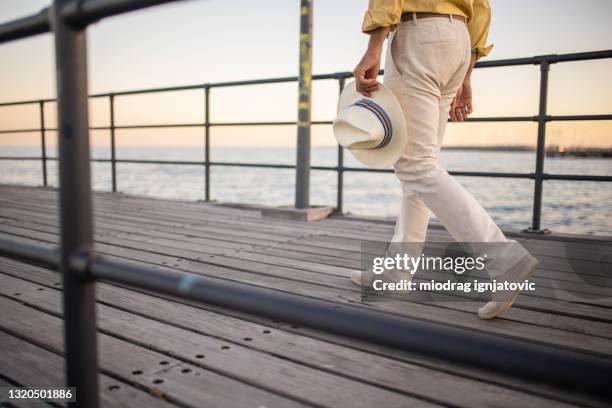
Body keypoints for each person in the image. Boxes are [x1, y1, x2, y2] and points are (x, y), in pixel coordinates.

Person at [350, 0, 538, 319]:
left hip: (418, 36)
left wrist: (374, 45)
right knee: (422, 164)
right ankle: (398, 271)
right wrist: (466, 72)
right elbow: (480, 7)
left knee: (415, 165)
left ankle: (504, 260)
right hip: (458, 42)